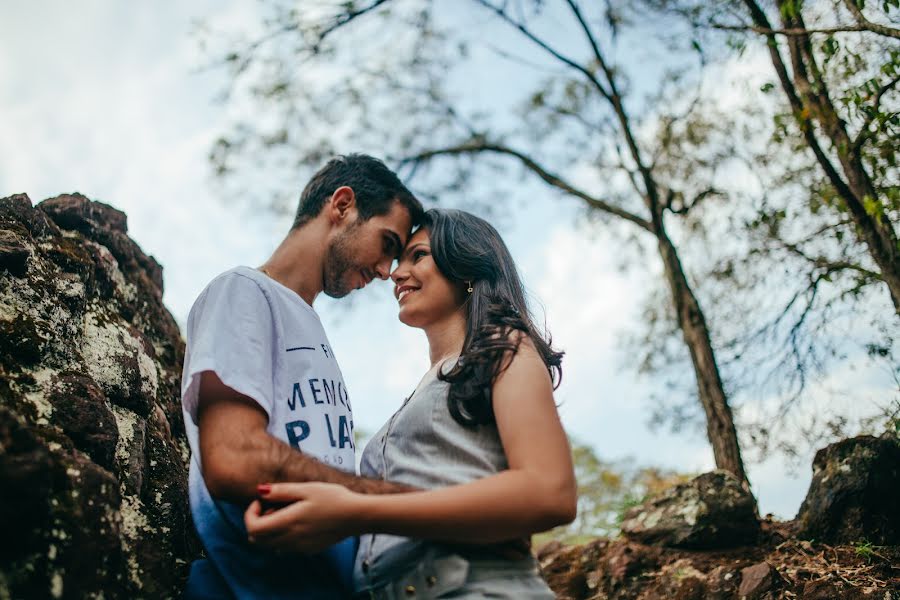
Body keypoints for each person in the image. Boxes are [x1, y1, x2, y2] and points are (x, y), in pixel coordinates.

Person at [244, 208, 578, 599]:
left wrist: (352, 511)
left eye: (418, 256)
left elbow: (549, 492)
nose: (396, 273)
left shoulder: (505, 347)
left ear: (466, 267)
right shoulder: (420, 392)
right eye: (398, 259)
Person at [180, 154, 426, 599]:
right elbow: (232, 456)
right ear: (343, 205)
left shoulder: (310, 326)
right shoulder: (243, 290)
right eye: (387, 243)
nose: (386, 271)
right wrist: (386, 501)